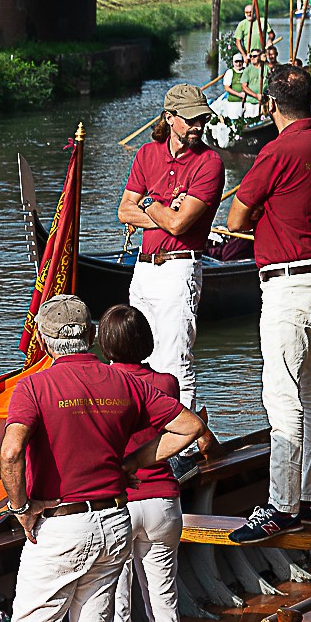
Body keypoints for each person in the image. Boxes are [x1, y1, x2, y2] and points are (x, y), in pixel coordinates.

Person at [0, 295, 200, 622]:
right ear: (90, 335)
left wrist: (20, 508)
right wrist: (132, 463)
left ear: (45, 340)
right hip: (113, 520)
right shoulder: (126, 383)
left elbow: (11, 452)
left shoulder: (34, 387)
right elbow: (189, 427)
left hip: (61, 525)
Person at [227, 63, 311, 542]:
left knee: (282, 395)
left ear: (270, 103)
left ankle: (282, 506)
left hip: (290, 283)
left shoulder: (276, 150)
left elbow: (235, 219)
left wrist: (263, 215)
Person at [101, 305, 212, 622]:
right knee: (163, 604)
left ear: (105, 344)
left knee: (117, 610)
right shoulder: (166, 383)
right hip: (163, 501)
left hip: (119, 504)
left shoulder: (102, 385)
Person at [118, 83, 225, 407]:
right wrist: (163, 210)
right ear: (169, 117)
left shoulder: (210, 163)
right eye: (191, 119)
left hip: (179, 269)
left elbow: (179, 225)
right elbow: (124, 211)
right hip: (143, 270)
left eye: (202, 119)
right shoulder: (146, 154)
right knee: (136, 359)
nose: (198, 126)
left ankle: (184, 436)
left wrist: (149, 204)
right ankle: (149, 427)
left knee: (175, 361)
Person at [216, 51, 250, 125]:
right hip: (234, 103)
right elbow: (227, 88)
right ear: (233, 62)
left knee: (246, 121)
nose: (238, 64)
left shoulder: (246, 71)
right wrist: (239, 94)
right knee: (235, 122)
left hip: (246, 102)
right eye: (236, 62)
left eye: (240, 62)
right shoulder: (230, 72)